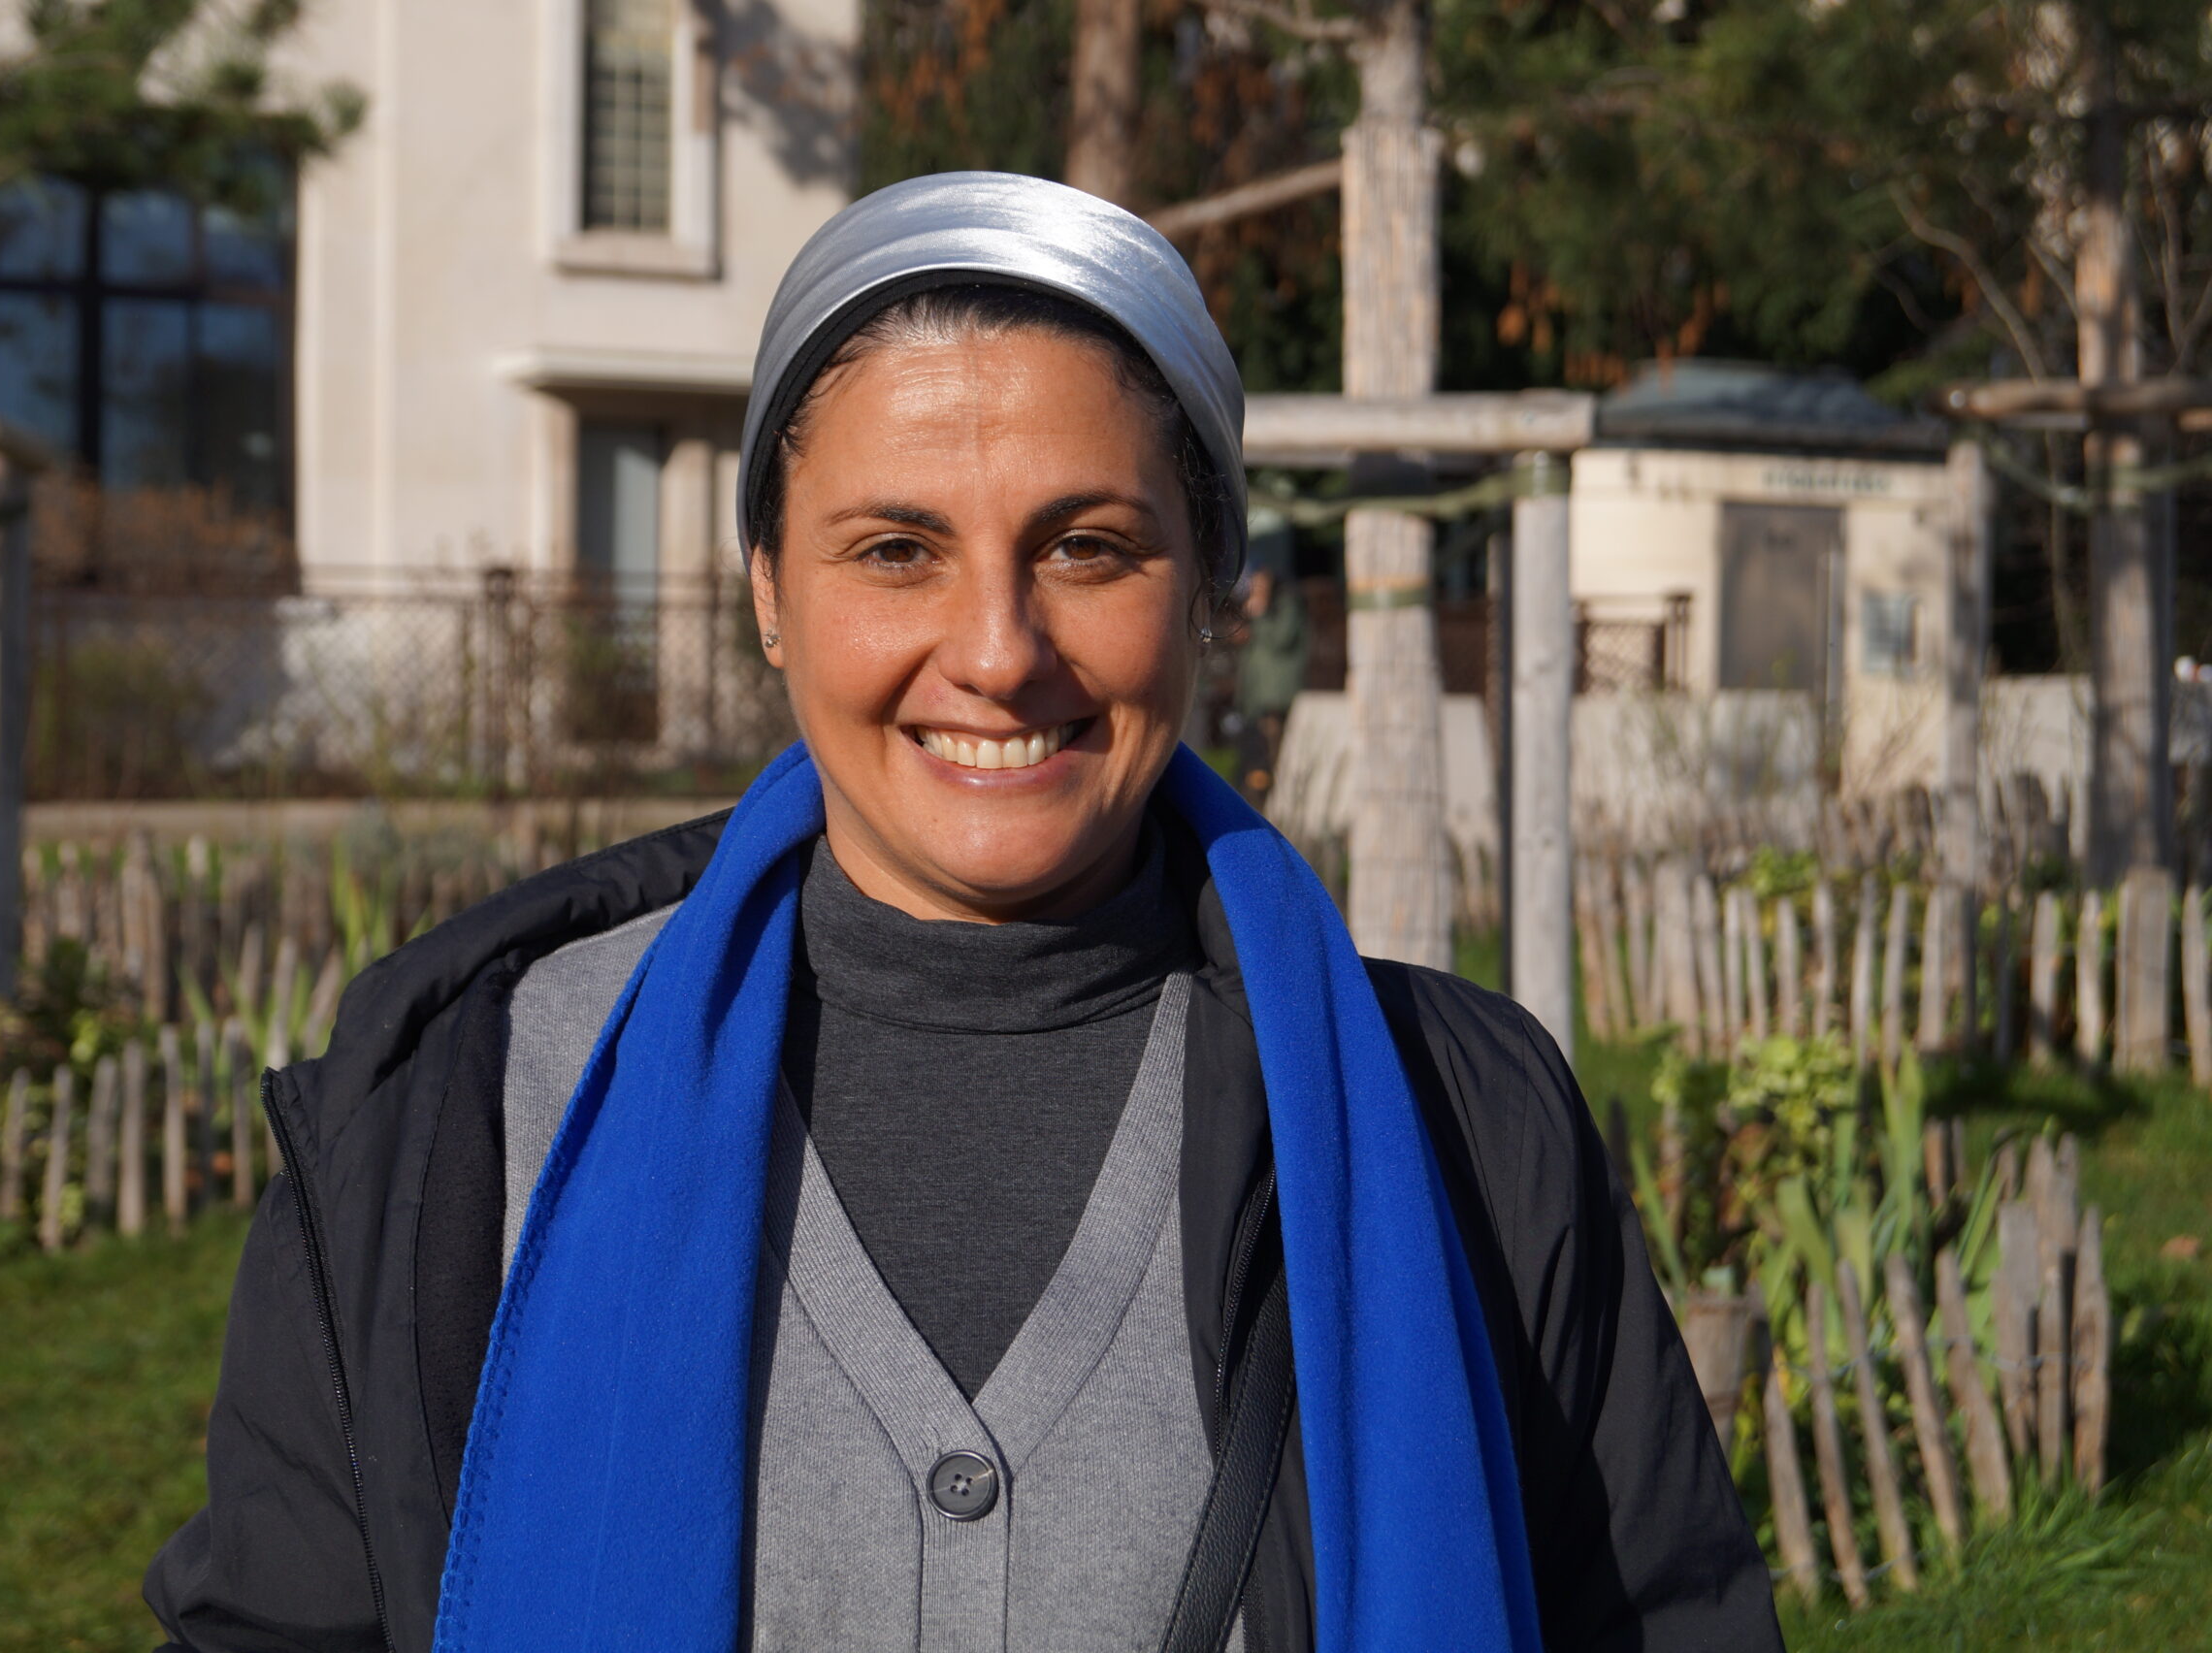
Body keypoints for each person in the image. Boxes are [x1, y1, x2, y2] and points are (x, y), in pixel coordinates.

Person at [146, 174, 1777, 1653]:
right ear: (770, 592)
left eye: (1088, 546)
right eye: (895, 549)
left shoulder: (1461, 1126)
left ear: (1209, 588)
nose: (999, 650)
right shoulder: (461, 1126)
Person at [1230, 527, 1309, 810]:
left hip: (1275, 697)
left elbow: (1281, 639)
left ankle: (1269, 807)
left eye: (1260, 579)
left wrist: (1261, 613)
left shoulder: (1287, 603)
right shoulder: (1257, 607)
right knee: (1252, 754)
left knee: (1271, 754)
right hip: (1255, 697)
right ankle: (1253, 802)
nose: (1256, 585)